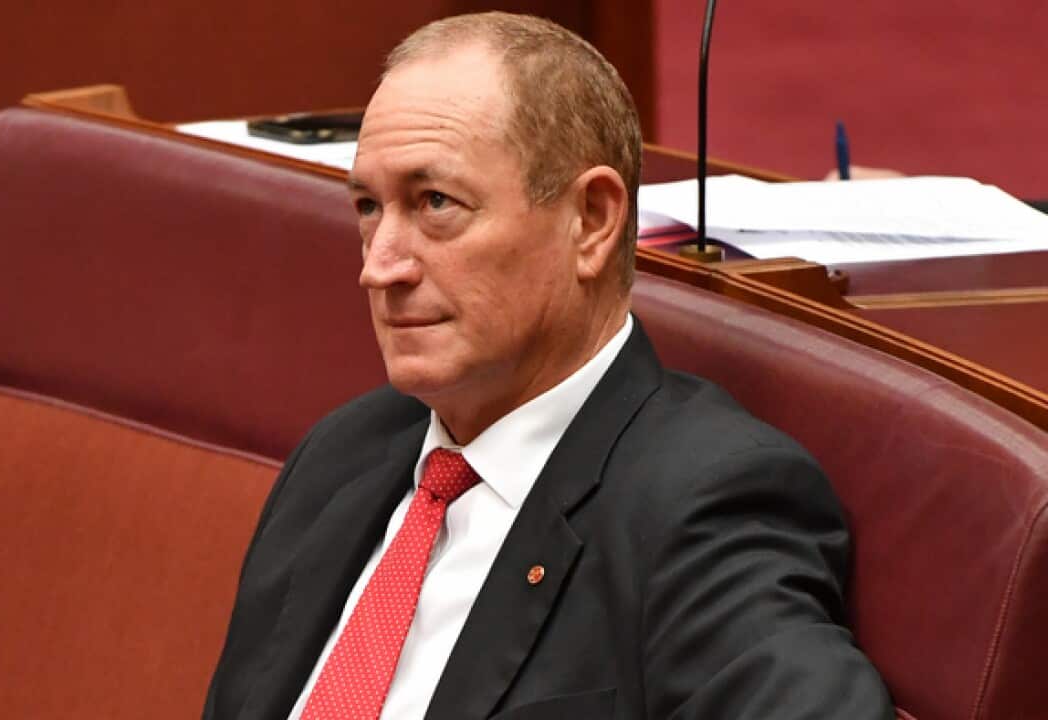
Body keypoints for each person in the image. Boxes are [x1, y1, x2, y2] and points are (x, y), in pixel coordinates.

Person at [203, 12, 892, 720]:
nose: (379, 267)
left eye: (435, 203)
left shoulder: (700, 505)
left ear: (591, 220)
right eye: (367, 207)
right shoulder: (340, 458)